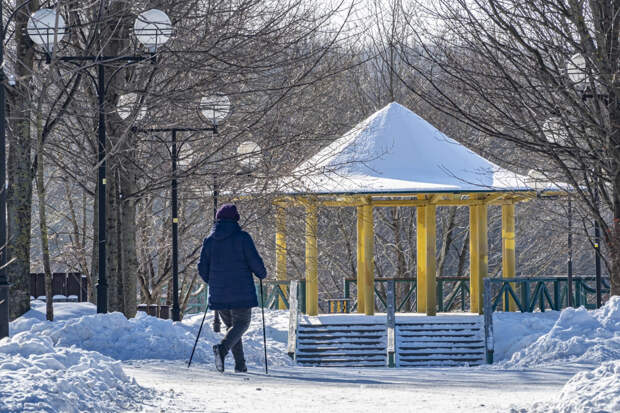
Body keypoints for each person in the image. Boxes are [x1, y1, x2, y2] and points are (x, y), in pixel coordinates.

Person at [197, 204, 267, 373]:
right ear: (236, 219)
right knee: (242, 324)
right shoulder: (243, 238)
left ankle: (240, 365)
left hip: (219, 293)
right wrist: (261, 273)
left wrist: (213, 281)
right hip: (241, 292)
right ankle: (222, 349)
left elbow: (202, 267)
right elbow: (254, 262)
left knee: (232, 329)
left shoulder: (209, 241)